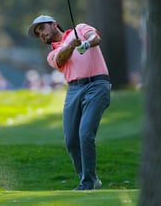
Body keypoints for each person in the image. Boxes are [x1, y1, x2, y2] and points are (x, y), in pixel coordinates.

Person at [27, 15, 111, 190]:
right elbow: (61, 58)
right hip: (74, 89)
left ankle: (88, 182)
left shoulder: (79, 29)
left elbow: (96, 38)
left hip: (97, 85)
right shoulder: (52, 53)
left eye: (42, 28)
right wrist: (72, 45)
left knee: (85, 134)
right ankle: (88, 178)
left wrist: (85, 43)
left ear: (54, 24)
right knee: (71, 140)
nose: (41, 34)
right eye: (38, 33)